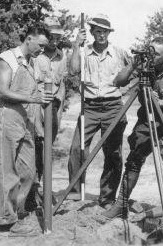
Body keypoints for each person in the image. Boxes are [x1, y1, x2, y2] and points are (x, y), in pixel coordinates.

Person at [103, 36, 163, 219]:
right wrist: (133, 66)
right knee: (134, 160)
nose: (150, 56)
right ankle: (121, 204)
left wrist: (159, 102)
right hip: (147, 121)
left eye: (155, 53)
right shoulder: (143, 67)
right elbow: (118, 82)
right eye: (149, 50)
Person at [0, 24, 53, 236]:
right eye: (40, 45)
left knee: (28, 172)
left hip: (26, 121)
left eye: (45, 46)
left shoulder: (31, 64)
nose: (42, 49)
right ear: (28, 38)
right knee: (7, 172)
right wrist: (33, 98)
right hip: (7, 117)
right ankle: (6, 221)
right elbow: (3, 91)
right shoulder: (7, 59)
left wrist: (37, 124)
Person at [67, 14, 132, 208]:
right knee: (77, 149)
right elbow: (73, 71)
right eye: (98, 31)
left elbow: (135, 69)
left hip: (113, 106)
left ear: (109, 33)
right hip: (90, 107)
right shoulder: (84, 51)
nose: (101, 34)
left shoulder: (120, 52)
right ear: (92, 32)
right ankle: (74, 194)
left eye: (105, 31)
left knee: (113, 153)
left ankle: (107, 198)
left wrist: (127, 87)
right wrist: (75, 46)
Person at [33, 16, 69, 180]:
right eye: (51, 37)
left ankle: (41, 186)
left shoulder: (62, 56)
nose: (54, 41)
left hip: (53, 107)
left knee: (47, 148)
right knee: (34, 146)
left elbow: (61, 85)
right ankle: (31, 189)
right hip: (35, 105)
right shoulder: (35, 55)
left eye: (58, 38)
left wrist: (59, 111)